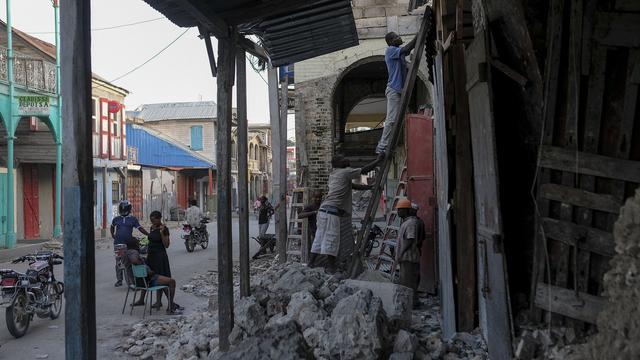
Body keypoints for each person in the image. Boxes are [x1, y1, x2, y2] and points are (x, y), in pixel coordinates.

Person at [310, 155, 381, 273]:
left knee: (319, 238)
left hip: (323, 211)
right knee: (331, 240)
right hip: (331, 212)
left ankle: (311, 263)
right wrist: (378, 160)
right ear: (339, 164)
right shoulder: (345, 172)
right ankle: (331, 267)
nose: (346, 160)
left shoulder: (334, 174)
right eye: (343, 159)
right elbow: (364, 170)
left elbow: (352, 186)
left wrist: (369, 187)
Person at [375, 31, 418, 159]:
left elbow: (406, 54)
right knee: (391, 119)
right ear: (391, 41)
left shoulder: (399, 54)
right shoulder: (390, 50)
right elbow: (407, 48)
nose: (399, 37)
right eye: (396, 37)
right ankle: (382, 146)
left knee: (398, 120)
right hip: (393, 90)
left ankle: (387, 145)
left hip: (399, 91)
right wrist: (418, 35)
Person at [125, 238, 183, 315]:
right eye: (137, 243)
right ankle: (170, 308)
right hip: (147, 281)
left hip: (138, 281)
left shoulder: (126, 253)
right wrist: (143, 265)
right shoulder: (133, 252)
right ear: (135, 245)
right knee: (171, 282)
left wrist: (144, 261)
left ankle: (171, 304)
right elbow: (135, 260)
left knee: (164, 282)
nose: (139, 245)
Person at [146, 210, 183, 311]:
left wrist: (162, 233)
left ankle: (171, 303)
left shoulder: (164, 229)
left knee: (162, 280)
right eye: (151, 221)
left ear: (159, 219)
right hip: (152, 257)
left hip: (160, 257)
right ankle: (159, 301)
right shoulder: (152, 228)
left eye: (154, 220)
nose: (153, 222)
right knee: (157, 279)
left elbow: (166, 245)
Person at [111, 200, 149, 287]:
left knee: (130, 262)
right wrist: (113, 235)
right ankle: (119, 280)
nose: (123, 210)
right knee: (118, 262)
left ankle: (132, 280)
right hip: (118, 244)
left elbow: (140, 228)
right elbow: (112, 227)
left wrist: (148, 234)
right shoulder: (116, 219)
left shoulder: (133, 219)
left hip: (129, 244)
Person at [395, 198, 425, 300]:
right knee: (406, 281)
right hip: (406, 258)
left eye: (400, 209)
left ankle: (412, 303)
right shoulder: (406, 222)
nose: (398, 212)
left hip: (409, 258)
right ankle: (411, 303)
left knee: (408, 283)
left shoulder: (411, 223)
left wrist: (401, 253)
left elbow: (410, 239)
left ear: (406, 210)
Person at [298, 190, 323, 257]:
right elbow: (300, 215)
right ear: (313, 197)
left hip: (323, 232)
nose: (318, 199)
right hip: (314, 232)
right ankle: (312, 263)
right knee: (315, 249)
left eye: (320, 197)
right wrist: (314, 212)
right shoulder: (310, 206)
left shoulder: (323, 206)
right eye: (316, 197)